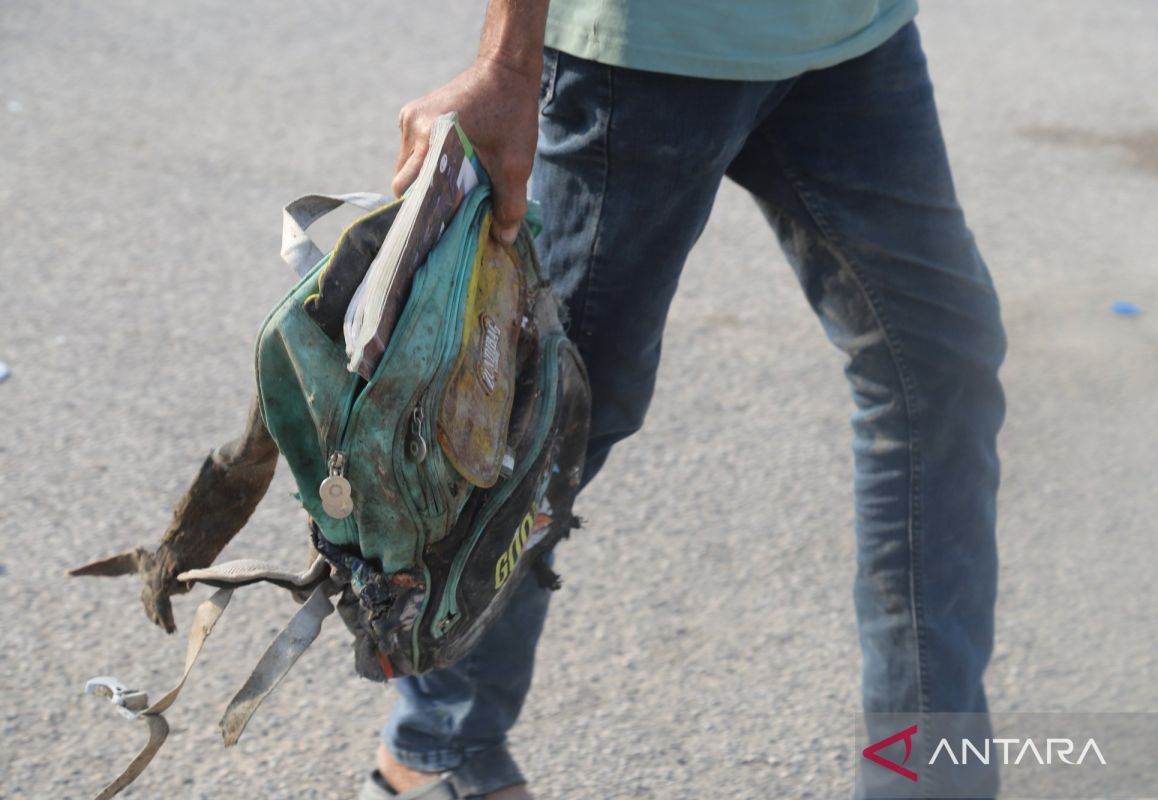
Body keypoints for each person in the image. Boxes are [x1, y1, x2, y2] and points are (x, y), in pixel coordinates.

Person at [366, 0, 1007, 797]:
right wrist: (507, 63)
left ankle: (930, 779)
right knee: (551, 416)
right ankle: (436, 753)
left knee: (939, 377)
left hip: (851, 34)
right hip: (652, 50)